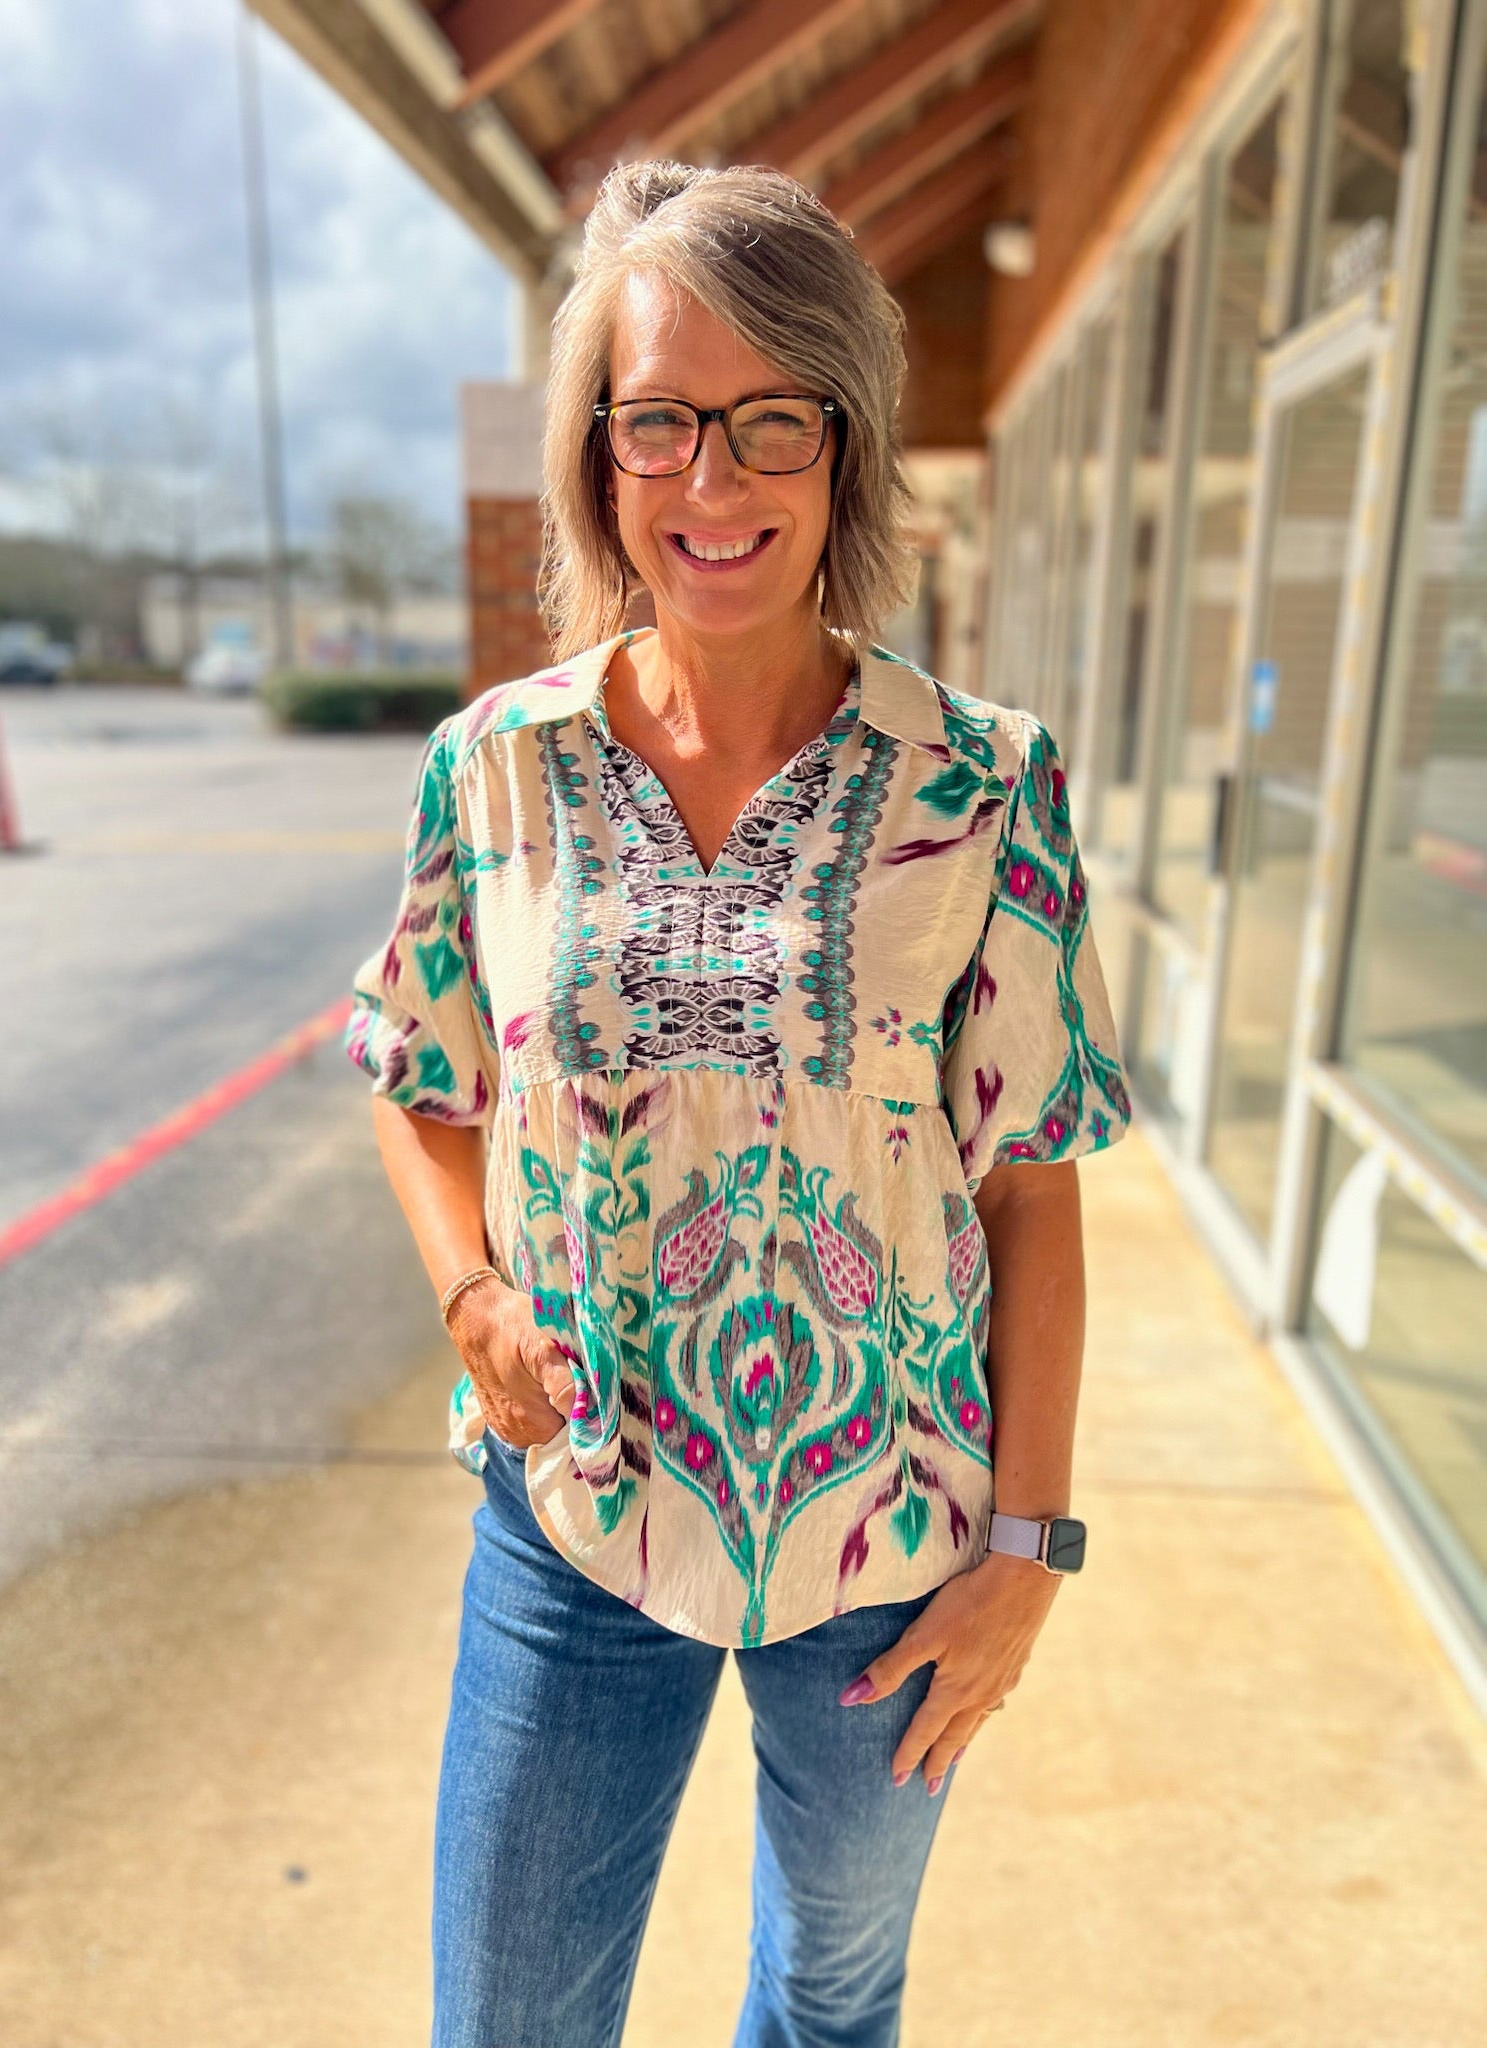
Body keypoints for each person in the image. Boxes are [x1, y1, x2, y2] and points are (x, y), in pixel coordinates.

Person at [345, 158, 1132, 2048]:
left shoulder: (983, 784)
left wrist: (1029, 1556)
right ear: (597, 457)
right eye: (660, 422)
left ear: (847, 445)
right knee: (510, 2018)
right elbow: (415, 1074)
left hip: (894, 1526)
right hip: (578, 1512)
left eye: (771, 417)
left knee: (831, 1992)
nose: (714, 480)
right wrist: (469, 1295)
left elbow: (1031, 1194)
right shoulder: (496, 772)